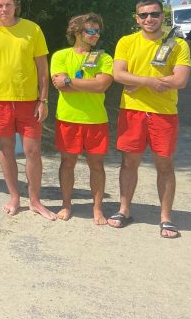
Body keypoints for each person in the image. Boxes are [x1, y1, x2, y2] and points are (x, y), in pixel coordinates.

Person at [0, 0, 56, 220]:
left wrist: (43, 99)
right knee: (6, 150)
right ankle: (14, 197)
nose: (4, 9)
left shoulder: (32, 29)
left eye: (8, 4)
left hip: (28, 102)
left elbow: (42, 68)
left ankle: (35, 200)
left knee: (33, 151)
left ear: (15, 5)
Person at [110, 0, 190, 238]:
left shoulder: (177, 44)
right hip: (132, 111)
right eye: (143, 15)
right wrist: (149, 81)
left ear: (162, 16)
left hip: (164, 114)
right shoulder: (126, 42)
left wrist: (135, 81)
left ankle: (166, 217)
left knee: (164, 165)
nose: (149, 19)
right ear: (136, 18)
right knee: (129, 163)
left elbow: (181, 80)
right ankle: (124, 210)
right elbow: (117, 74)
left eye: (154, 14)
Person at [50, 13, 113, 224]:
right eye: (90, 31)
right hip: (68, 118)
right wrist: (86, 84)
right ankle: (66, 205)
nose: (95, 35)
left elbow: (101, 85)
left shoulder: (104, 58)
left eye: (97, 31)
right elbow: (60, 87)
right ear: (76, 32)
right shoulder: (60, 56)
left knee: (97, 165)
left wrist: (69, 81)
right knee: (67, 163)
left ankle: (97, 209)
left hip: (96, 120)